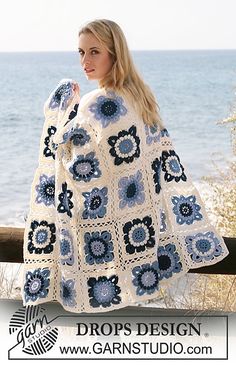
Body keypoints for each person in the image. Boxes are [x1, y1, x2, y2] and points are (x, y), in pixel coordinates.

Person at [20, 19, 229, 314]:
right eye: (81, 52)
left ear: (114, 53)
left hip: (103, 242)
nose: (85, 61)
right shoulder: (140, 96)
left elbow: (73, 163)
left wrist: (60, 107)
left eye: (94, 52)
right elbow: (147, 163)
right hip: (141, 233)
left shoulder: (96, 103)